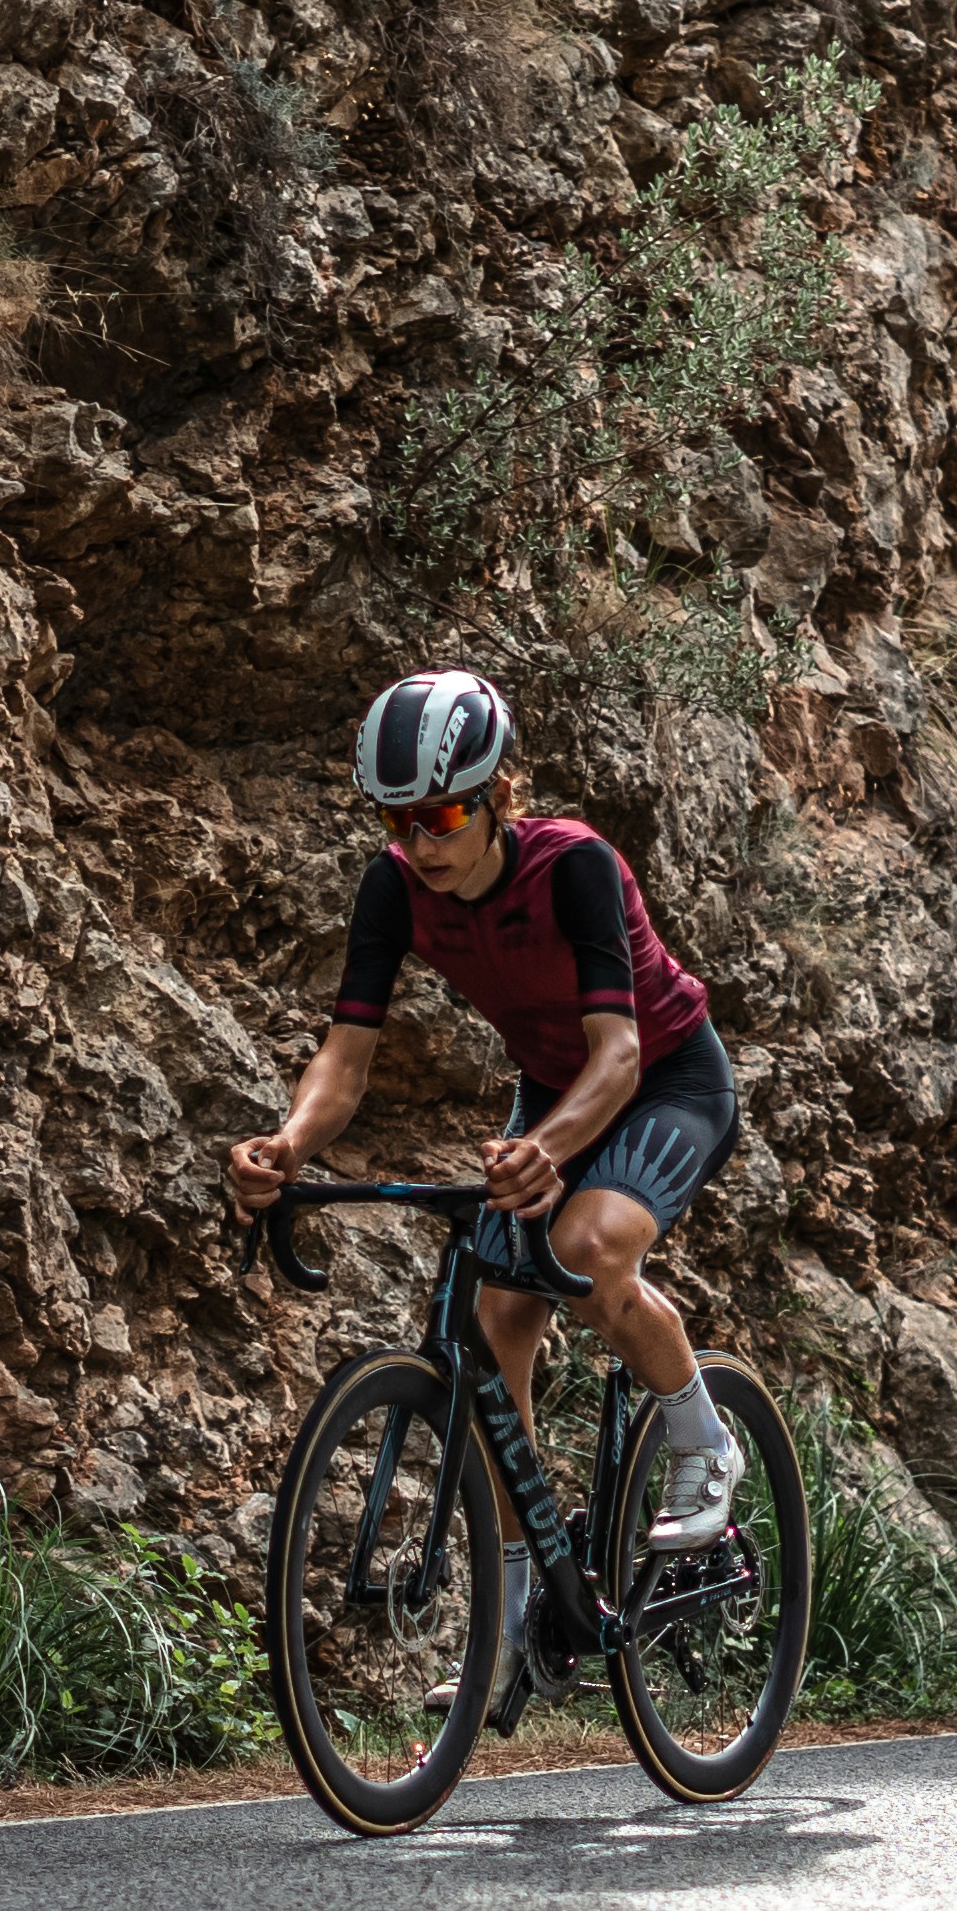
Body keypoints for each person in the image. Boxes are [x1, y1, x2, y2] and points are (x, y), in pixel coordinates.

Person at [227, 674, 749, 1624]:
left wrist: (543, 1150)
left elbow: (621, 1054)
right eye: (398, 823)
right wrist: (289, 1143)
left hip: (668, 1077)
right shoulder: (394, 889)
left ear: (499, 797)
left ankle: (702, 1437)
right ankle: (511, 1615)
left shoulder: (575, 865)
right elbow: (343, 1067)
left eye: (442, 815)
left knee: (588, 1252)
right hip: (557, 1090)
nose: (420, 843)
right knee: (498, 1315)